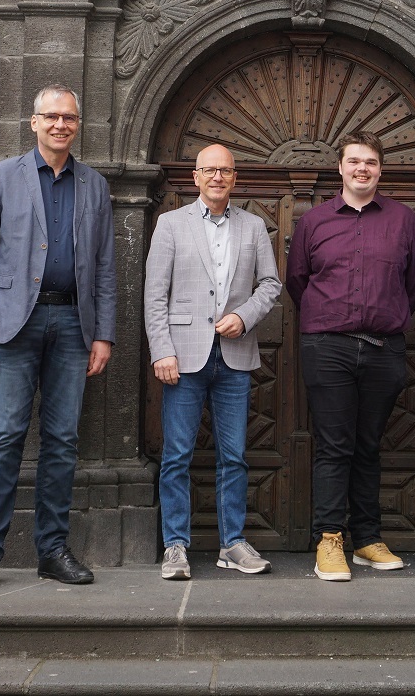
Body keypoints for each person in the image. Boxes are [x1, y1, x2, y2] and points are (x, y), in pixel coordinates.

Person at [0, 85, 116, 594]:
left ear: (77, 125)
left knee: (63, 440)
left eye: (68, 118)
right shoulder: (3, 176)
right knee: (5, 436)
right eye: (51, 117)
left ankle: (52, 550)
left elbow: (105, 266)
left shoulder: (94, 184)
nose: (60, 125)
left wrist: (104, 335)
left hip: (72, 323)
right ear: (34, 123)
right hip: (13, 324)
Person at [286, 130, 415, 583]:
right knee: (334, 445)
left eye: (370, 162)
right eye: (354, 161)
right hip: (328, 347)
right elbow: (298, 281)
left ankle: (367, 538)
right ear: (341, 168)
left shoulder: (403, 220)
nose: (362, 168)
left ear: (380, 170)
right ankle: (329, 538)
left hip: (385, 348)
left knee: (369, 445)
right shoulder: (314, 221)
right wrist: (331, 316)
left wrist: (385, 314)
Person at [144, 144, 282, 581]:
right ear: (196, 176)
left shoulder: (253, 225)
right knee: (177, 455)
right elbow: (155, 293)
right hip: (183, 356)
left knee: (234, 456)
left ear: (235, 178)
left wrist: (245, 316)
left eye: (225, 170)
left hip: (234, 356)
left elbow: (271, 283)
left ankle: (232, 543)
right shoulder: (170, 224)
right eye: (209, 170)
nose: (217, 177)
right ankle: (175, 545)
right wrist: (162, 349)